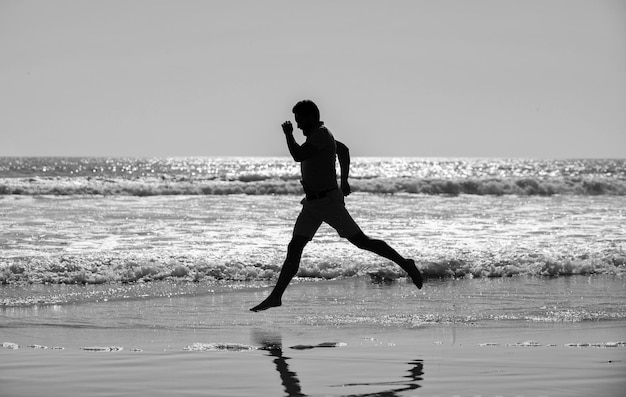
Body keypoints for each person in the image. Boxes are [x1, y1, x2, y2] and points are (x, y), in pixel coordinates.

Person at [250, 100, 422, 312]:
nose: (298, 126)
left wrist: (287, 134)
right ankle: (276, 296)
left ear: (312, 117)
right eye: (296, 123)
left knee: (362, 242)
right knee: (294, 247)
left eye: (300, 121)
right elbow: (344, 150)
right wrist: (345, 181)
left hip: (328, 202)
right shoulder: (320, 136)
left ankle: (406, 264)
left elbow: (298, 155)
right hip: (312, 203)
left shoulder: (322, 134)